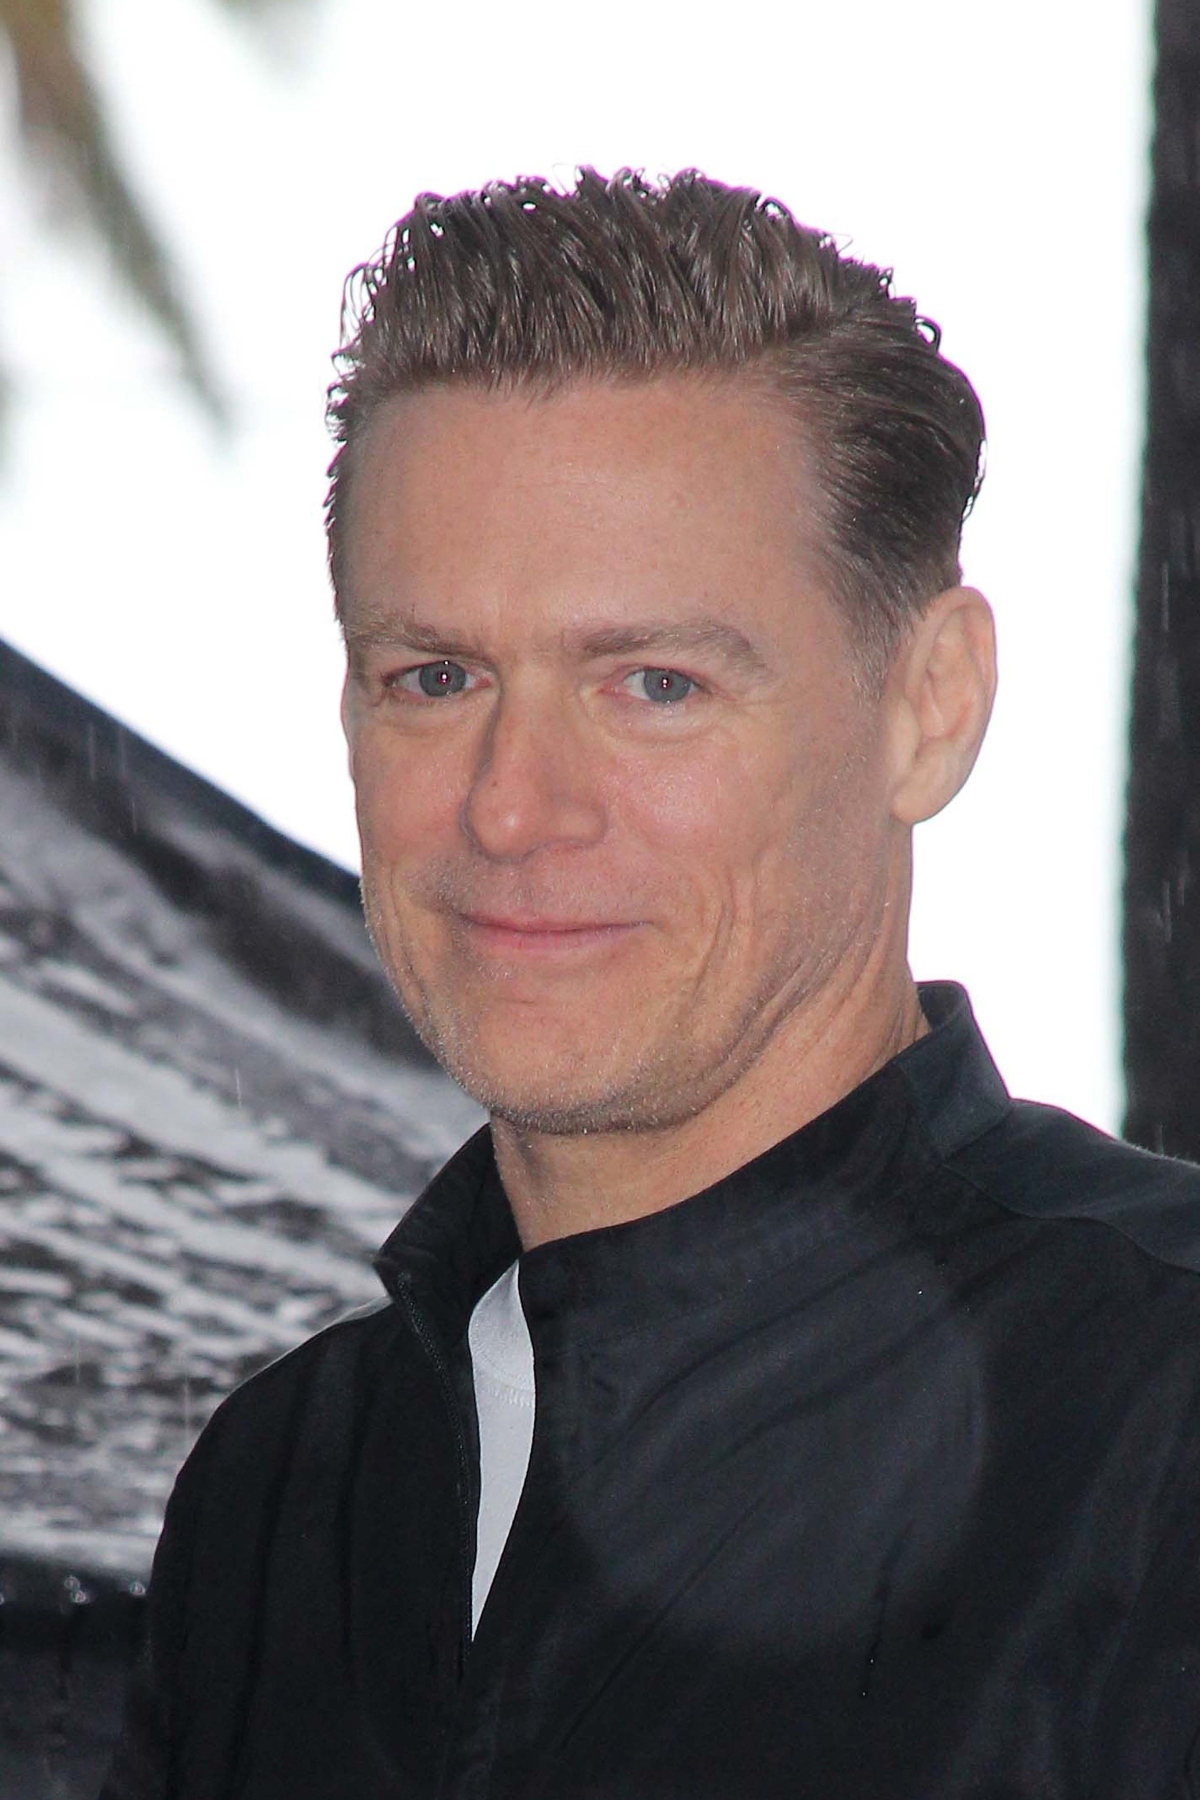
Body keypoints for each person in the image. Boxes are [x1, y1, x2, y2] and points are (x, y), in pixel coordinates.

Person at [102, 169, 1200, 1800]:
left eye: (656, 684)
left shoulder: (1159, 1417)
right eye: (436, 677)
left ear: (931, 706)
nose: (511, 807)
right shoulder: (284, 1494)